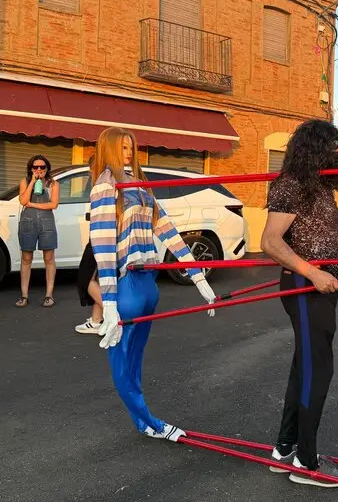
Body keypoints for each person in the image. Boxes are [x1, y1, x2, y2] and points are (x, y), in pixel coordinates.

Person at [261, 119, 338, 488]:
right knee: (318, 370)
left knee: (306, 367)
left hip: (318, 286)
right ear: (316, 148)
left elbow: (328, 237)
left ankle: (285, 449)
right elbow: (270, 241)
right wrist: (314, 274)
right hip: (304, 286)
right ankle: (306, 462)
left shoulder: (319, 187)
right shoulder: (291, 185)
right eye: (334, 147)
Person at [89, 127, 217, 441]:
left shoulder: (140, 184)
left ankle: (144, 423)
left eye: (131, 146)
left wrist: (197, 275)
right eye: (122, 147)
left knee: (134, 360)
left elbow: (167, 228)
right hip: (127, 283)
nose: (129, 152)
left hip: (148, 281)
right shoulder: (107, 185)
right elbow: (102, 245)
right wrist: (108, 301)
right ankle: (151, 422)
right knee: (123, 362)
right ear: (109, 149)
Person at [16, 155, 59, 308]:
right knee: (26, 258)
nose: (39, 170)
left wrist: (32, 204)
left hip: (47, 222)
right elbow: (22, 201)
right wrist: (33, 182)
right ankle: (24, 295)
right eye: (36, 167)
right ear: (31, 168)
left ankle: (49, 295)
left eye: (42, 167)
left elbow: (53, 204)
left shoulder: (53, 184)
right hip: (28, 222)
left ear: (47, 168)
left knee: (49, 258)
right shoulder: (25, 181)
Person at [75, 240, 102, 335]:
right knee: (100, 278)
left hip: (101, 238)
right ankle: (97, 320)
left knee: (86, 279)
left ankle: (114, 316)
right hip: (108, 239)